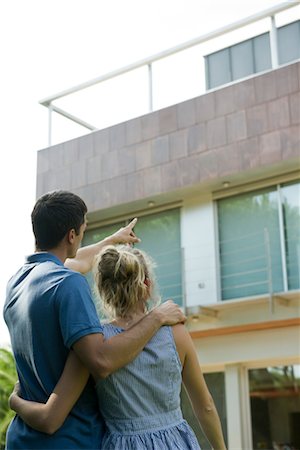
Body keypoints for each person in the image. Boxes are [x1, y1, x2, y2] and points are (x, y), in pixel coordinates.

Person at [3, 190, 185, 450]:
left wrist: (111, 241)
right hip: (70, 441)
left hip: (22, 440)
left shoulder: (17, 283)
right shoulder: (69, 284)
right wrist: (156, 317)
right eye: (83, 230)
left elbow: (72, 261)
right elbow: (100, 361)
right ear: (72, 235)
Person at [9, 245, 227, 450]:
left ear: (103, 290)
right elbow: (205, 406)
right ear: (147, 285)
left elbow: (52, 415)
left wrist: (16, 401)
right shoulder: (176, 333)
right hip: (174, 442)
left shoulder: (93, 344)